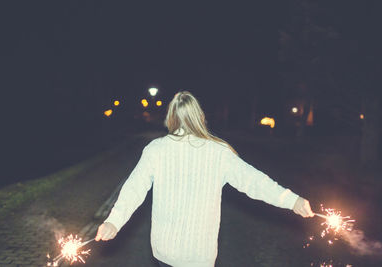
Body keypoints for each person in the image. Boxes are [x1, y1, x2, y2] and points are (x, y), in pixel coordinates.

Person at [95, 91, 314, 267]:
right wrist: (292, 200)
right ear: (200, 117)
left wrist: (114, 221)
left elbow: (134, 188)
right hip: (200, 256)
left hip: (165, 252)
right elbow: (255, 181)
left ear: (171, 118)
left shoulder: (156, 149)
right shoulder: (218, 152)